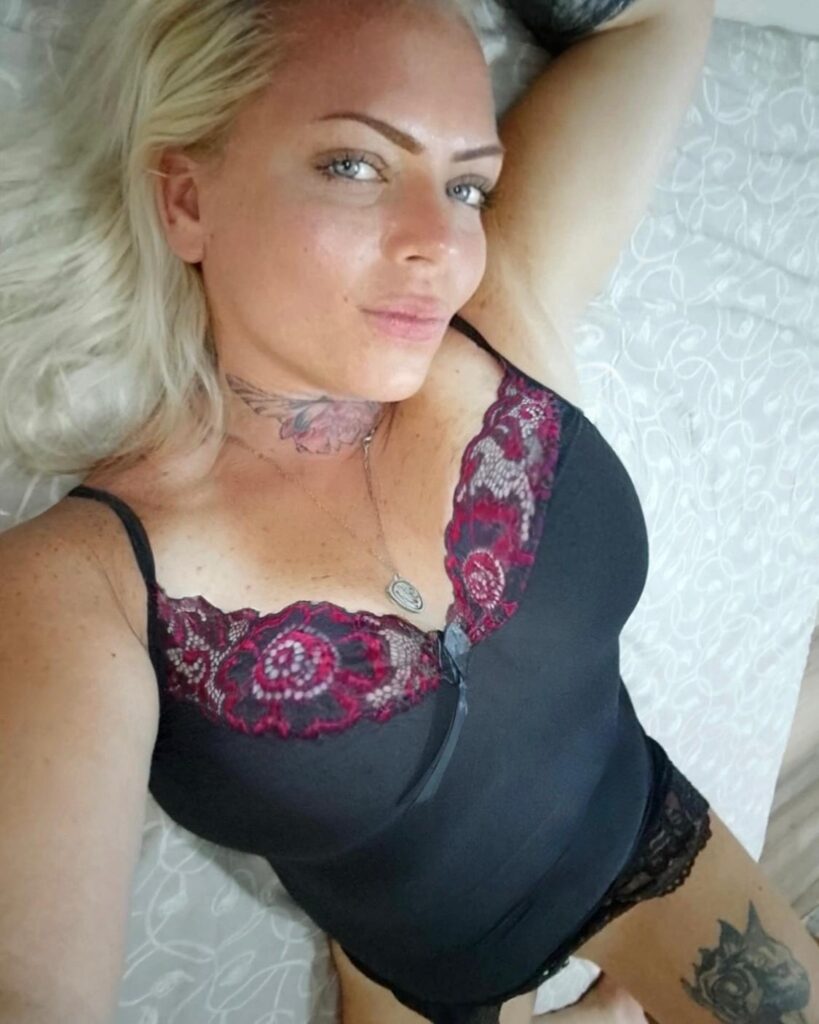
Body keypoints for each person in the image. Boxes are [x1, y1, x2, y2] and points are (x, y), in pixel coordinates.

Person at [0, 0, 816, 1022]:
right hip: (420, 971)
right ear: (186, 198)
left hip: (647, 840)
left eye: (468, 185)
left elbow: (658, 19)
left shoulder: (495, 318)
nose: (443, 245)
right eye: (355, 165)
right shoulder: (83, 586)